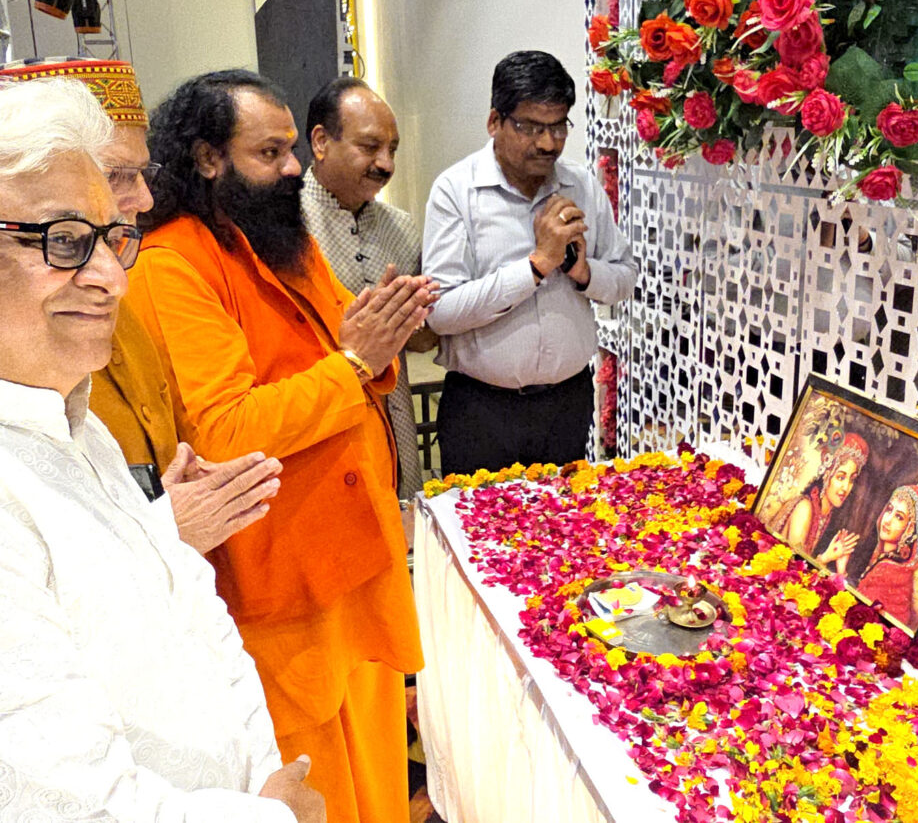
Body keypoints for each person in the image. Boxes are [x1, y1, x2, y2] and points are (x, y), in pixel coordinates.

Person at [0, 77, 324, 823]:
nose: (111, 279)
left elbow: (199, 620)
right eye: (64, 241)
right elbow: (70, 803)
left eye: (111, 240)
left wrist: (263, 782)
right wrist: (275, 818)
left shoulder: (80, 427)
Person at [126, 68, 435, 823]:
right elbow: (227, 429)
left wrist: (376, 345)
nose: (294, 168)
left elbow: (352, 342)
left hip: (355, 562)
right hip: (283, 587)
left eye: (292, 148)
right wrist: (356, 363)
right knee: (318, 788)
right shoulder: (173, 262)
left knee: (379, 781)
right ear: (208, 159)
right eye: (270, 153)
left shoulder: (277, 239)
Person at [0, 58, 282, 555]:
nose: (145, 199)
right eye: (118, 174)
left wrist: (155, 510)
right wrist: (157, 534)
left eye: (142, 173)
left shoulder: (109, 285)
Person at [422, 50, 637, 474]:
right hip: (483, 412)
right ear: (494, 122)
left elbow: (625, 276)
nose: (548, 143)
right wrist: (537, 265)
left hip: (567, 405)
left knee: (567, 517)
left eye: (558, 126)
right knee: (477, 519)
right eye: (531, 127)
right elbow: (441, 313)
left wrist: (583, 272)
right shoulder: (456, 191)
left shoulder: (582, 185)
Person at [302, 76, 438, 501]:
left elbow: (421, 342)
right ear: (321, 142)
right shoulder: (283, 228)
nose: (386, 164)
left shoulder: (402, 228)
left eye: (392, 149)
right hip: (318, 430)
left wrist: (421, 315)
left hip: (396, 427)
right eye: (370, 146)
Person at [772, 430, 868, 573]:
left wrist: (840, 567)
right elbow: (794, 570)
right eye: (841, 477)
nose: (845, 487)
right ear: (827, 475)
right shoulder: (804, 509)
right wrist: (825, 557)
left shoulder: (826, 515)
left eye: (851, 479)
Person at [852, 483, 918, 629]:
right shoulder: (889, 562)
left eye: (899, 517)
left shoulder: (890, 571)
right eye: (889, 510)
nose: (888, 520)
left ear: (910, 528)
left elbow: (859, 613)